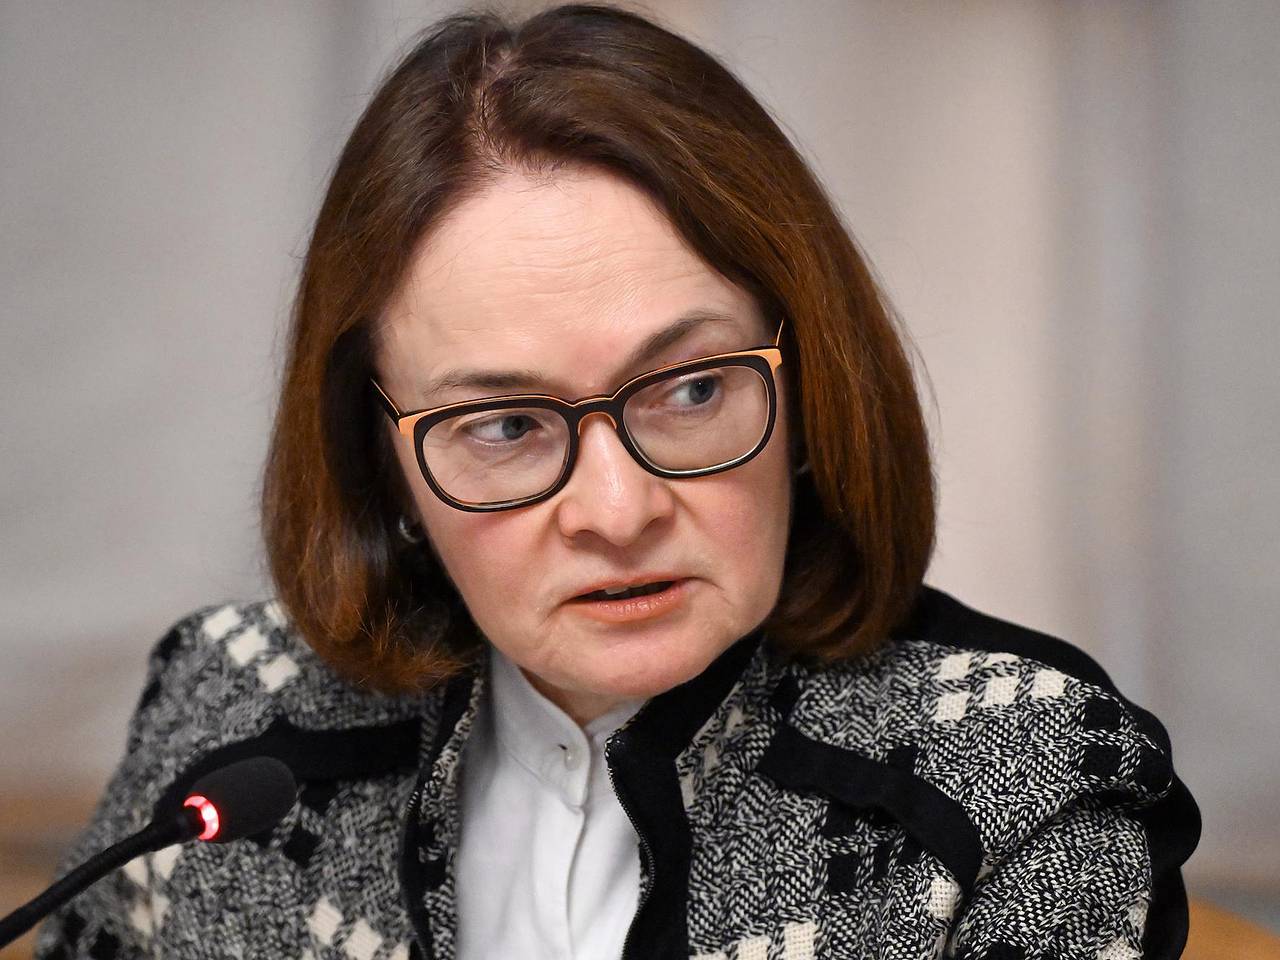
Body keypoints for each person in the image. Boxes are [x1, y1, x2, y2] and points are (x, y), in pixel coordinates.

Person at [32, 4, 1200, 959]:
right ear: (380, 463)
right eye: (503, 425)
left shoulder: (1024, 776)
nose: (615, 511)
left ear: (807, 395)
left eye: (689, 391)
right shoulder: (232, 709)